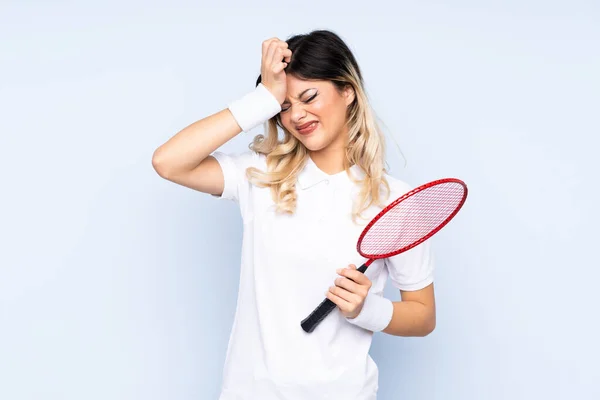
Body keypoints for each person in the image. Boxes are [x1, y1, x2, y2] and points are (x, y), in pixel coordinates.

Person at [152, 29, 436, 400]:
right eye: (284, 107)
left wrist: (368, 310)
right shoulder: (261, 177)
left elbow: (423, 315)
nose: (297, 115)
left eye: (309, 97)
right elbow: (168, 162)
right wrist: (261, 99)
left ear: (347, 90)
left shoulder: (396, 203)